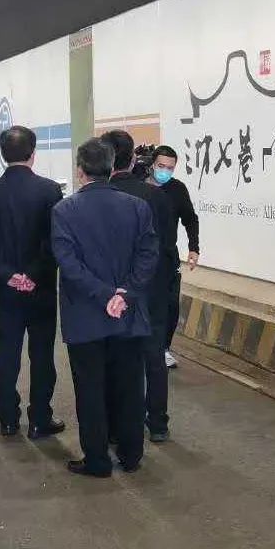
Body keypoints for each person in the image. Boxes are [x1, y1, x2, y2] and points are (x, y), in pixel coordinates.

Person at [52, 139, 158, 477]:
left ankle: (97, 460)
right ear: (112, 169)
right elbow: (148, 255)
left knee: (90, 389)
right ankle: (131, 454)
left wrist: (103, 295)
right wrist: (124, 295)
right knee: (130, 386)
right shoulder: (137, 207)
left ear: (79, 171)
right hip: (128, 314)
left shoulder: (64, 210)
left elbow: (68, 263)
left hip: (85, 315)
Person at [0, 125, 64, 439]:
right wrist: (33, 275)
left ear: (2, 154)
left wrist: (6, 274)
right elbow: (54, 240)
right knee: (42, 354)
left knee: (6, 353)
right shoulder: (50, 191)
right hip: (42, 288)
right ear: (33, 154)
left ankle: (9, 418)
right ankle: (40, 418)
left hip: (4, 289)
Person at [103, 131, 178, 442]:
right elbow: (168, 244)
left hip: (113, 291)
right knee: (154, 357)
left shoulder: (99, 196)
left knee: (116, 359)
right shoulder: (155, 196)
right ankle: (157, 423)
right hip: (152, 288)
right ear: (133, 158)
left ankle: (116, 427)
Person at [150, 145, 200, 369]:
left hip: (168, 256)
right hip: (142, 257)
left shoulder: (177, 189)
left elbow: (190, 219)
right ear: (153, 164)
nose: (165, 171)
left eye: (170, 168)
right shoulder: (140, 187)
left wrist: (193, 248)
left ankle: (163, 349)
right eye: (161, 166)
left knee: (171, 305)